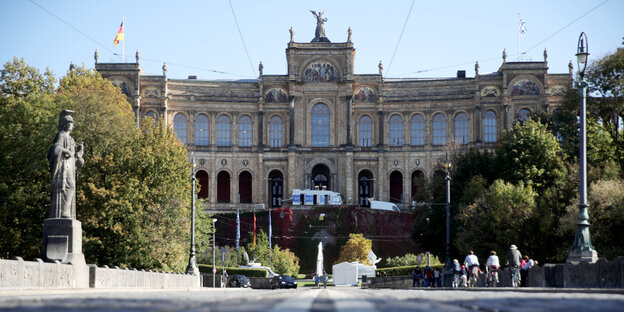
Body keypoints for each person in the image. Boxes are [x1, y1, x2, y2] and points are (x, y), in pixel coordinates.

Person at [48, 110, 84, 219]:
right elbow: (55, 148)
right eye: (69, 123)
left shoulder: (72, 140)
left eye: (72, 123)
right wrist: (66, 151)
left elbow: (78, 161)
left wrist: (80, 153)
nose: (71, 125)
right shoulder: (61, 135)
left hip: (70, 167)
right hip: (63, 166)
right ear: (65, 124)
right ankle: (63, 212)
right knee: (65, 187)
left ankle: (66, 211)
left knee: (71, 187)